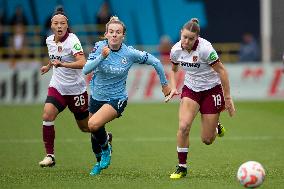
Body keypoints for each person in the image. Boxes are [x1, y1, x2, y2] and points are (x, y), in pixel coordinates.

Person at [83, 16, 171, 175]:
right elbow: (85, 69)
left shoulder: (129, 53)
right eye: (111, 32)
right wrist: (102, 56)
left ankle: (106, 149)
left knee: (93, 124)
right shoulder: (99, 47)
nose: (114, 35)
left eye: (118, 32)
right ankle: (99, 161)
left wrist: (165, 84)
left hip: (117, 99)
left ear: (123, 36)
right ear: (106, 34)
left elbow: (156, 62)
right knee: (94, 134)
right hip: (96, 97)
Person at [165, 18, 235, 179]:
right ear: (180, 34)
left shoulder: (206, 49)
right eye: (184, 37)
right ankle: (181, 167)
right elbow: (174, 69)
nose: (187, 41)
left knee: (207, 140)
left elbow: (222, 71)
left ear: (197, 38)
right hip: (191, 89)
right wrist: (174, 86)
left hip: (212, 90)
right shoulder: (176, 50)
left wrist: (228, 98)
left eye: (191, 38)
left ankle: (216, 125)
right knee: (183, 127)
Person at [38, 7, 90, 167]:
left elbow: (83, 62)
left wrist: (63, 64)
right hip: (58, 86)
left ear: (67, 25)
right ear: (51, 25)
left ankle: (104, 135)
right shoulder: (49, 40)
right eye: (56, 23)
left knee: (86, 127)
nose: (59, 26)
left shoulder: (73, 41)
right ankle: (50, 156)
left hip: (76, 89)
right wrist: (49, 66)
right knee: (47, 115)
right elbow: (55, 58)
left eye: (62, 23)